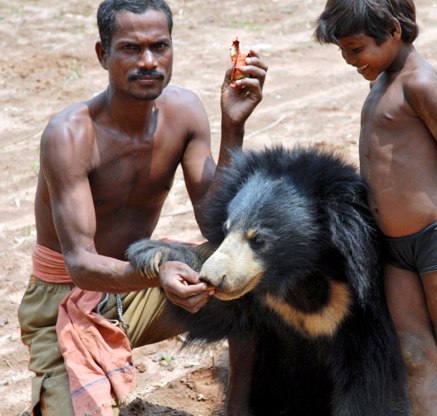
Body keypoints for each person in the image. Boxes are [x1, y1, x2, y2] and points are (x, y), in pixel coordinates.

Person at [17, 0, 267, 414]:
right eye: (131, 48)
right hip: (64, 298)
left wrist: (233, 126)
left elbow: (213, 223)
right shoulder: (70, 134)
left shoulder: (185, 112)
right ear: (103, 54)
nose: (149, 61)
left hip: (142, 280)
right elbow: (80, 263)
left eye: (159, 46)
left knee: (247, 273)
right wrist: (159, 272)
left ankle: (239, 410)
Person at [314, 1, 437, 415]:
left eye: (356, 50)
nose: (350, 61)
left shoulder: (420, 82)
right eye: (344, 52)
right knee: (414, 354)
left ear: (393, 30)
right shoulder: (382, 81)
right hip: (395, 249)